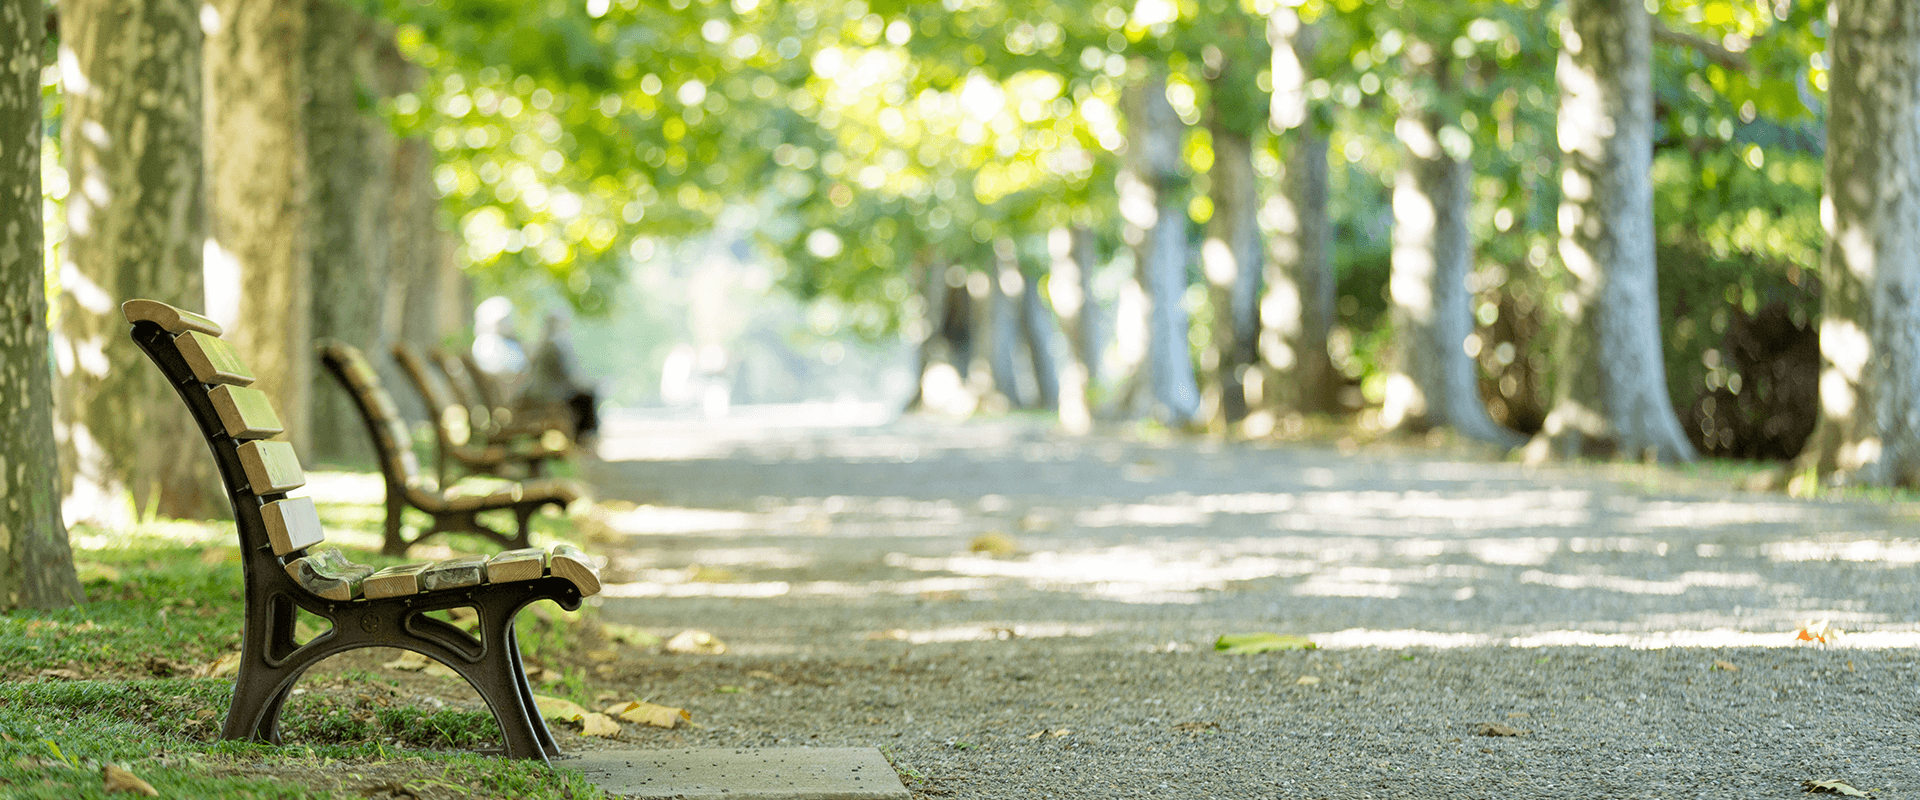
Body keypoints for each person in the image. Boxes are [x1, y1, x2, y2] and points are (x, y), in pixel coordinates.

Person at [520, 307, 600, 442]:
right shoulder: (554, 346)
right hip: (549, 395)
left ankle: (583, 440)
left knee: (585, 396)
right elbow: (569, 378)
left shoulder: (543, 345)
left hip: (539, 393)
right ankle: (584, 440)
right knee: (587, 396)